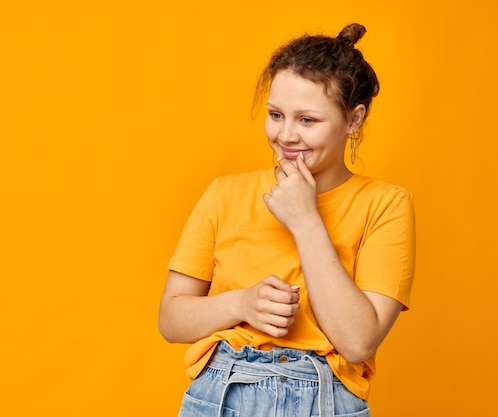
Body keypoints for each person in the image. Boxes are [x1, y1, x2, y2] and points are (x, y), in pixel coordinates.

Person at [159, 23, 415, 417]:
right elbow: (171, 320)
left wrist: (306, 220)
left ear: (353, 119)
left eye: (308, 120)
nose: (286, 135)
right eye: (276, 115)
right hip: (222, 391)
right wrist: (241, 302)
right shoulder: (224, 193)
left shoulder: (385, 204)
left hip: (325, 397)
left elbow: (358, 341)